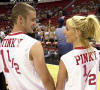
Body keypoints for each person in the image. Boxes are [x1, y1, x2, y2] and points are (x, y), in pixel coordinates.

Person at [0, 2, 55, 90]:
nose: (35, 23)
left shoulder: (3, 42)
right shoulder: (33, 44)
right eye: (32, 20)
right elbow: (47, 80)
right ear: (20, 19)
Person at [56, 15, 100, 90]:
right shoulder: (96, 53)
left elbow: (59, 88)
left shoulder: (66, 58)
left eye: (67, 29)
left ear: (77, 32)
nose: (64, 32)